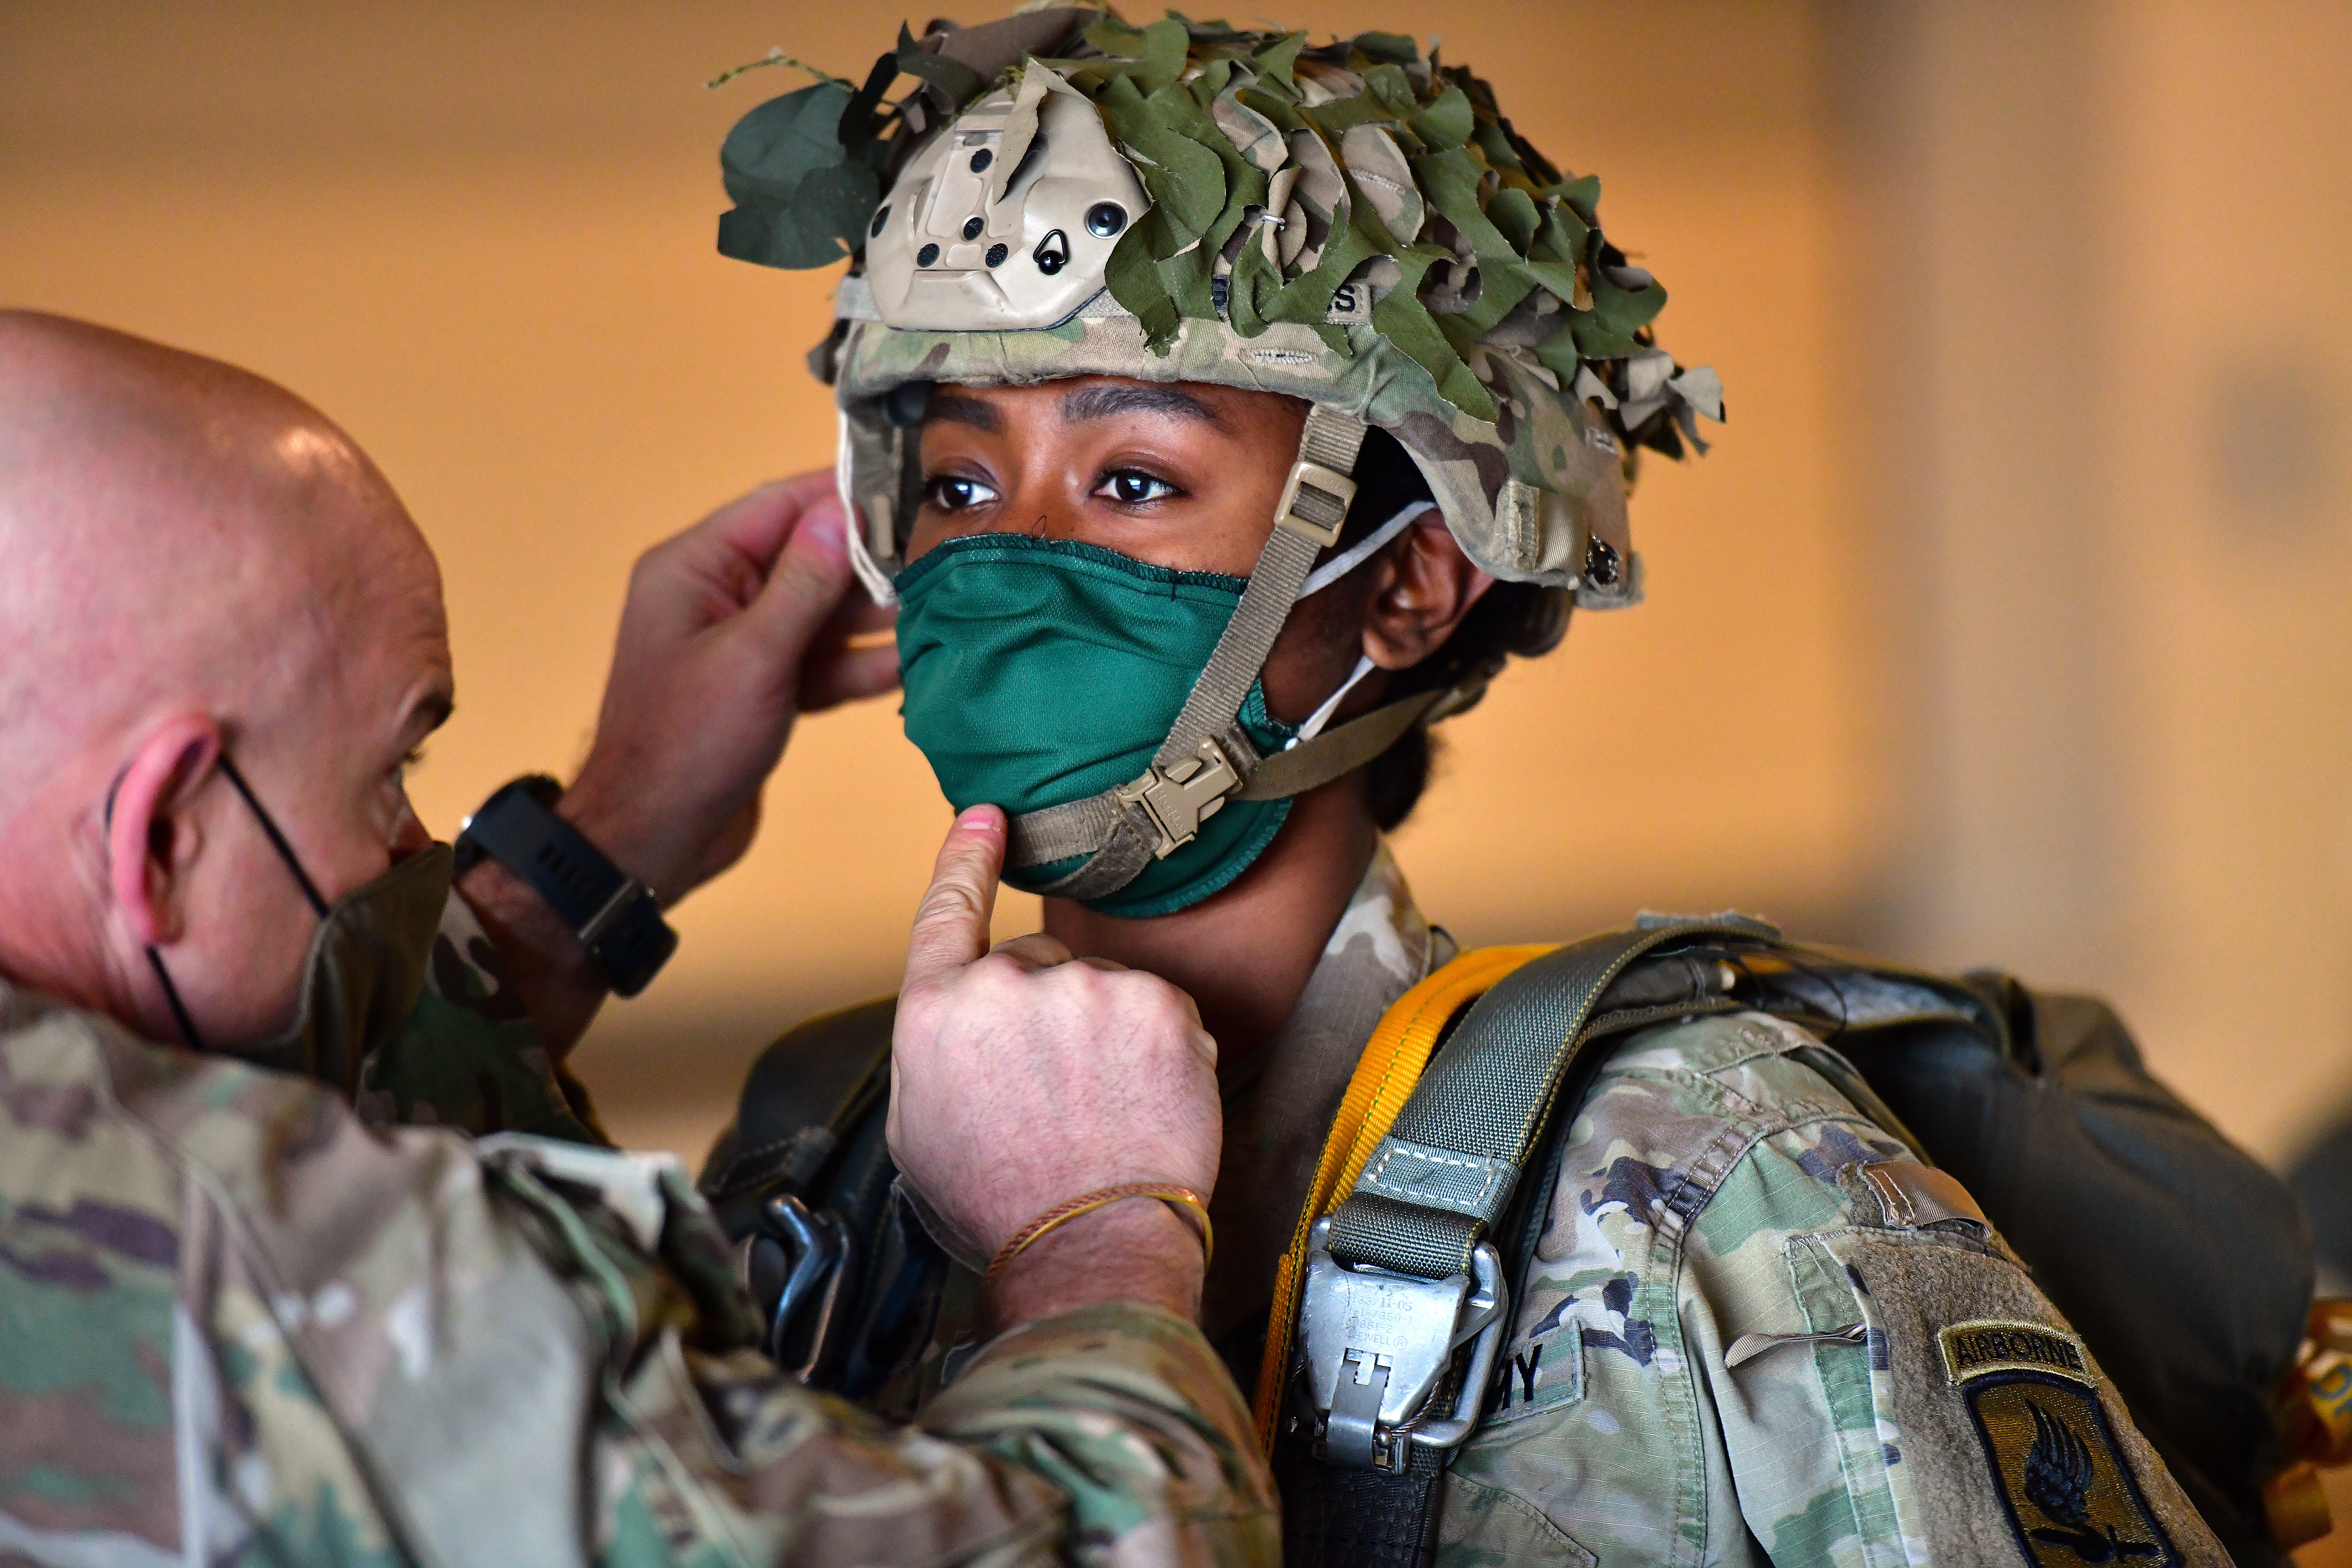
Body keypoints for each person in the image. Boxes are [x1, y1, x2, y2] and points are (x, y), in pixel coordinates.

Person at [706, 10, 2307, 1564]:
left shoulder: (1701, 1174)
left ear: (1410, 583)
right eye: (961, 482)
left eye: (1134, 481)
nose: (1005, 559)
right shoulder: (827, 1163)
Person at [0, 310, 1278, 1563]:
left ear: (1411, 578)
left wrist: (589, 862)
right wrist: (1098, 1242)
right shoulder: (227, 1268)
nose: (407, 857)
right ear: (158, 837)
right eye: (389, 777)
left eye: (1130, 479)